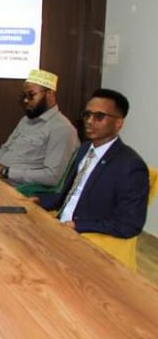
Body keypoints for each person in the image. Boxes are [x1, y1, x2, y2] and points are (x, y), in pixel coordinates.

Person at [41, 88, 148, 238]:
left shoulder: (131, 166)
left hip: (83, 236)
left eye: (99, 116)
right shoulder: (84, 149)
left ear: (118, 123)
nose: (90, 121)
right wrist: (38, 201)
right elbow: (69, 195)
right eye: (87, 115)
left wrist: (78, 225)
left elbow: (129, 225)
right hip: (58, 225)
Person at [0, 69, 79, 188]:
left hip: (22, 191)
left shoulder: (62, 128)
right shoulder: (26, 120)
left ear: (50, 94)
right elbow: (6, 149)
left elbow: (52, 177)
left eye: (31, 95)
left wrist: (5, 172)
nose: (25, 100)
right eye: (24, 96)